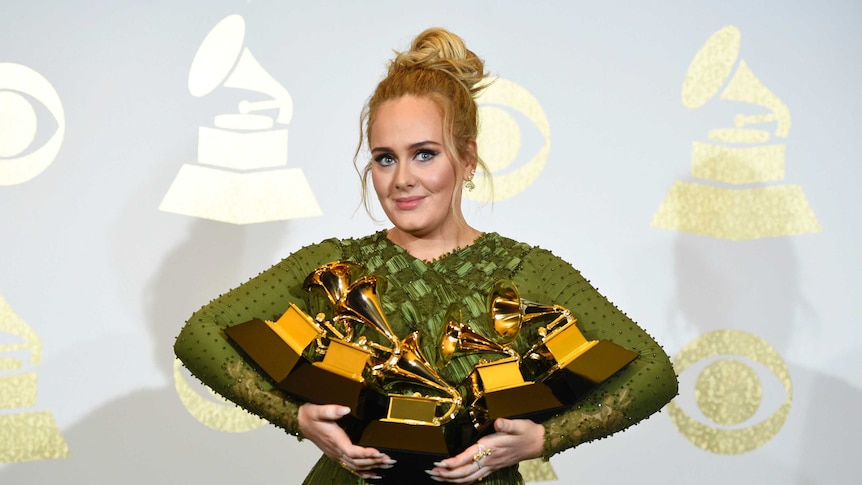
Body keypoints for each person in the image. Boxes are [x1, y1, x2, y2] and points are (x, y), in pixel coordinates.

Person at [174, 27, 678, 485]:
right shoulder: (334, 265)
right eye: (384, 158)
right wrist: (298, 419)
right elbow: (200, 335)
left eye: (424, 154)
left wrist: (544, 440)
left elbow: (653, 372)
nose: (402, 180)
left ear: (468, 159)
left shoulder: (528, 271)